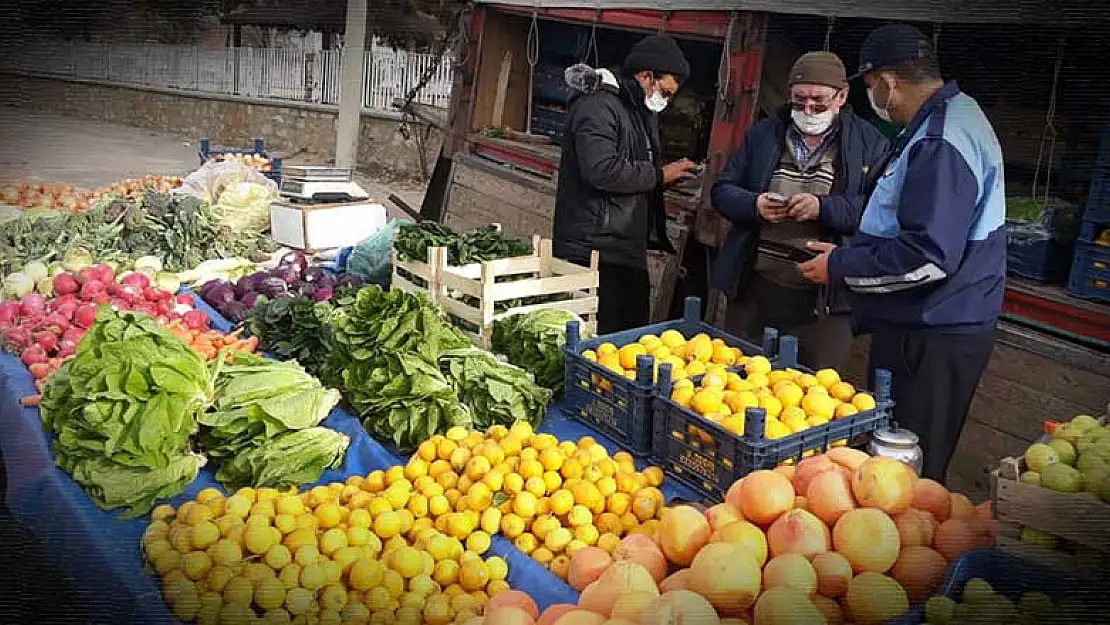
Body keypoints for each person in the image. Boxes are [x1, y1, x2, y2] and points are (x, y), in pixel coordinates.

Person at [798, 24, 1005, 482]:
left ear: (888, 81)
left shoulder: (940, 139)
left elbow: (928, 255)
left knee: (907, 467)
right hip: (930, 321)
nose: (872, 95)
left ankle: (909, 552)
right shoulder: (948, 118)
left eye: (870, 85)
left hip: (936, 330)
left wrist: (839, 265)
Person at [709, 52, 888, 370]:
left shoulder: (870, 144)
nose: (807, 110)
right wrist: (755, 205)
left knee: (811, 395)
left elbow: (880, 213)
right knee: (736, 384)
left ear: (842, 96)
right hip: (755, 290)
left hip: (824, 304)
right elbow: (722, 191)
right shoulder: (764, 134)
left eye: (818, 101)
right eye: (798, 100)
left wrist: (824, 208)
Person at [553, 34, 698, 334]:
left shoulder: (637, 109)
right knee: (600, 340)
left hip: (622, 245)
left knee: (628, 336)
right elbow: (601, 170)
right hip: (594, 248)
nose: (667, 101)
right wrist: (659, 175)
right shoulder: (598, 106)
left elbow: (630, 170)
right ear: (646, 76)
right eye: (666, 92)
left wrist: (663, 181)